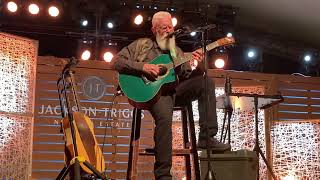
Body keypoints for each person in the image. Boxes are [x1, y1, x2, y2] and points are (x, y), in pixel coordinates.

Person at [111, 11, 230, 180]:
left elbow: (189, 75)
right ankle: (163, 175)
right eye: (164, 28)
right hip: (155, 93)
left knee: (206, 82)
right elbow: (116, 62)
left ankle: (206, 137)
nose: (168, 31)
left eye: (170, 27)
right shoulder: (142, 45)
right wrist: (143, 67)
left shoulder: (177, 51)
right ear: (154, 30)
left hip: (175, 90)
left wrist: (198, 62)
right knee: (165, 120)